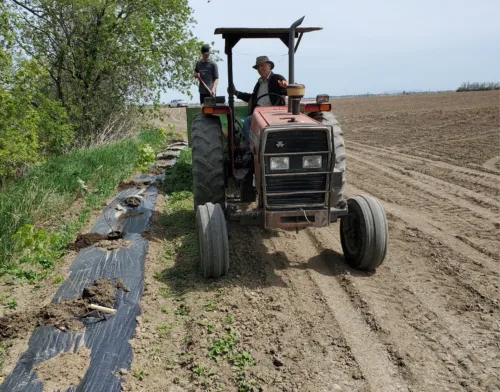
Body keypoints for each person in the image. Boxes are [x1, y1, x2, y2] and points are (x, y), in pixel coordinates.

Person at [229, 56, 288, 153]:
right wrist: (236, 93)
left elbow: (287, 90)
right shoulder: (258, 84)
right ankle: (250, 152)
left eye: (262, 66)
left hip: (274, 113)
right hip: (259, 113)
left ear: (269, 66)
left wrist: (287, 86)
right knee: (248, 121)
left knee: (248, 121)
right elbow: (252, 98)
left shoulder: (277, 78)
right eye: (258, 67)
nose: (260, 69)